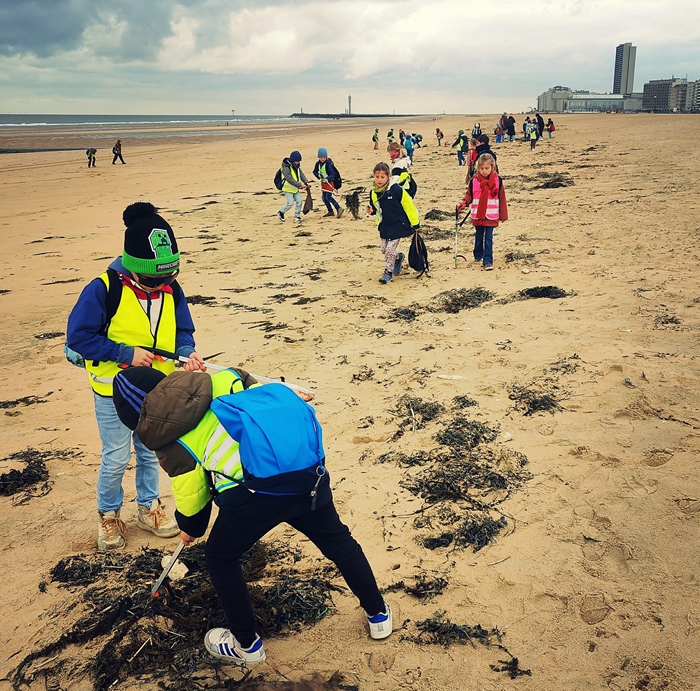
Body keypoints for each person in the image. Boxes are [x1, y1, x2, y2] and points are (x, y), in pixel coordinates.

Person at [111, 366, 393, 666]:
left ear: (137, 419)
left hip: (254, 494)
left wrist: (189, 528)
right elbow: (259, 397)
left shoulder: (168, 440)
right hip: (305, 472)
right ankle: (378, 614)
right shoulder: (221, 377)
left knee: (220, 559)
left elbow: (194, 499)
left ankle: (247, 645)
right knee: (339, 541)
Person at [65, 202, 207, 551]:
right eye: (154, 279)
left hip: (157, 388)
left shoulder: (171, 289)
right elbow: (79, 338)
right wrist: (125, 354)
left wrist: (187, 351)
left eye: (168, 277)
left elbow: (183, 330)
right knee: (115, 456)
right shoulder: (103, 288)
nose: (162, 285)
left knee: (149, 453)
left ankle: (149, 507)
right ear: (133, 267)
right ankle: (109, 515)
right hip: (111, 388)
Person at [367, 161, 420, 284]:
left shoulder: (395, 189)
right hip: (385, 225)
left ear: (388, 176)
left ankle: (388, 273)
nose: (379, 180)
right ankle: (398, 258)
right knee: (384, 249)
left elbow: (408, 206)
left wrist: (415, 223)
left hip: (398, 224)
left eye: (382, 177)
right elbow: (376, 207)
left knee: (389, 250)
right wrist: (371, 211)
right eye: (377, 176)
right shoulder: (374, 192)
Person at [455, 153, 508, 271]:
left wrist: (503, 214)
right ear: (478, 168)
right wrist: (463, 203)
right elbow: (470, 195)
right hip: (478, 214)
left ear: (492, 167)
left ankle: (488, 260)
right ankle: (478, 254)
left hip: (491, 214)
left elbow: (502, 197)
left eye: (487, 168)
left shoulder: (497, 180)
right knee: (479, 235)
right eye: (482, 168)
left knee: (488, 237)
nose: (484, 171)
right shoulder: (474, 181)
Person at [277, 150, 309, 224]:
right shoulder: (286, 168)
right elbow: (289, 179)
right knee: (290, 203)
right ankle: (281, 212)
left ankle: (297, 216)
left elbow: (301, 174)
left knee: (299, 202)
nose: (298, 162)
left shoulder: (297, 166)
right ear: (292, 160)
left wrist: (306, 182)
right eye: (297, 161)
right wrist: (300, 184)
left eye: (299, 161)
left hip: (295, 189)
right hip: (288, 189)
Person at [313, 147, 344, 219]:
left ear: (326, 157)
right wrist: (318, 175)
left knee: (328, 197)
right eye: (321, 157)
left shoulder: (328, 164)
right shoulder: (318, 163)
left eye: (324, 157)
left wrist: (327, 178)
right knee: (324, 198)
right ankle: (330, 211)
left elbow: (332, 174)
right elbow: (314, 171)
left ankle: (339, 208)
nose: (323, 159)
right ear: (319, 157)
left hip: (330, 182)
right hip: (323, 183)